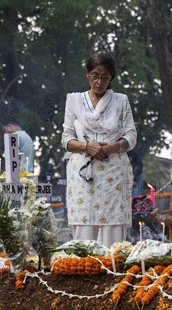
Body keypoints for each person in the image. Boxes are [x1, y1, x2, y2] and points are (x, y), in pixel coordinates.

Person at [61, 53, 137, 247]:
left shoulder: (121, 101)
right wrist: (88, 147)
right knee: (83, 229)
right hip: (83, 171)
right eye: (95, 75)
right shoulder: (74, 101)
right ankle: (82, 270)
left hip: (113, 172)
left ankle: (113, 272)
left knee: (113, 230)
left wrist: (112, 147)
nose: (99, 82)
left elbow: (131, 136)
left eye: (105, 77)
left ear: (111, 77)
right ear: (87, 74)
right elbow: (67, 139)